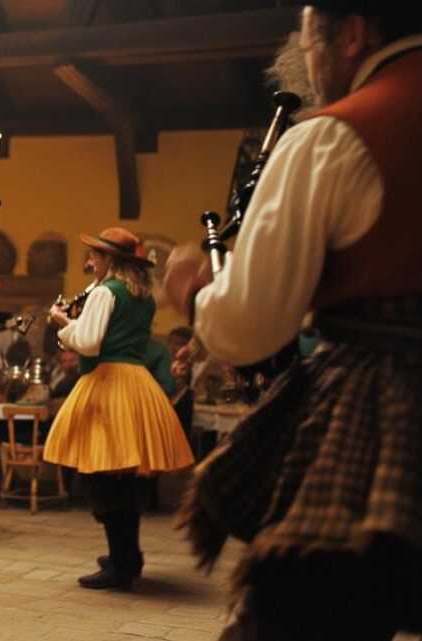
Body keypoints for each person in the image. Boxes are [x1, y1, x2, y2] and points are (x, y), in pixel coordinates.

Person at [163, 2, 422, 638]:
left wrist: (197, 294)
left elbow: (250, 328)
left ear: (353, 32)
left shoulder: (336, 133)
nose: (308, 61)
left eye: (309, 42)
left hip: (382, 414)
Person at [43, 228, 194, 590]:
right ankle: (128, 555)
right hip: (136, 382)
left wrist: (63, 324)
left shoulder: (104, 292)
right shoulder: (142, 297)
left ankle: (121, 566)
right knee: (126, 475)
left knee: (102, 475)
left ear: (110, 260)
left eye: (95, 255)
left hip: (107, 384)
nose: (90, 261)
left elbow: (91, 344)